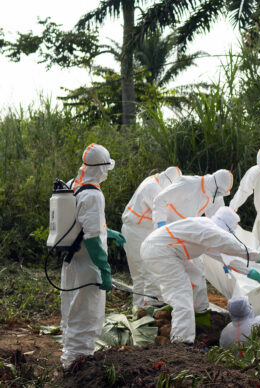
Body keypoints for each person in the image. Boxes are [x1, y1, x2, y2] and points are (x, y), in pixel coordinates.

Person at [141, 208, 260, 343]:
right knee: (182, 295)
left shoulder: (206, 232)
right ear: (227, 226)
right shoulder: (209, 229)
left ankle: (198, 319)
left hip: (166, 251)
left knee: (196, 275)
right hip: (160, 251)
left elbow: (229, 260)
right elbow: (234, 247)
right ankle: (182, 342)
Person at [61, 143, 123, 369]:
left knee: (71, 311)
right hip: (88, 265)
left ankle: (69, 359)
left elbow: (79, 224)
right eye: (106, 168)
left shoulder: (72, 185)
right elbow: (92, 238)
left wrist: (109, 232)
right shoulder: (94, 195)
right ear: (101, 168)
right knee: (87, 315)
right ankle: (80, 365)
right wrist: (105, 270)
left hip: (71, 260)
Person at [152, 169, 234, 313]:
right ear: (214, 183)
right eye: (219, 192)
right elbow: (159, 200)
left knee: (197, 270)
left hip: (187, 231)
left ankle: (199, 310)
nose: (219, 196)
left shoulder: (215, 195)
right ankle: (166, 306)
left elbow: (218, 225)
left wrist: (225, 255)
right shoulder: (187, 184)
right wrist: (161, 225)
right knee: (172, 269)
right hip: (169, 228)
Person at [121, 166, 181, 309]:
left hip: (133, 230)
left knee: (139, 274)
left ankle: (139, 309)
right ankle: (152, 310)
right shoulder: (154, 189)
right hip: (137, 232)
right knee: (148, 271)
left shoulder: (151, 180)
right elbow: (165, 213)